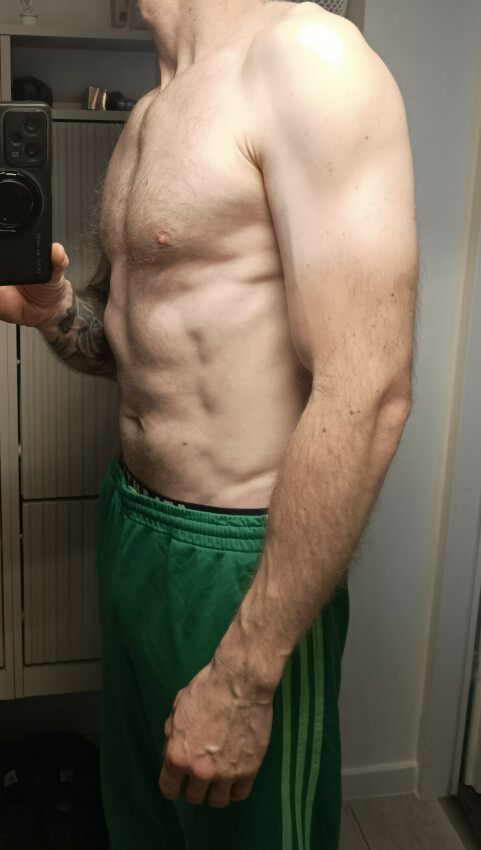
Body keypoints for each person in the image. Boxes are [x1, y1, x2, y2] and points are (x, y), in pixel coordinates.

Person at [0, 0, 419, 846]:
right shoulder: (154, 109)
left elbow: (368, 391)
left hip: (242, 562)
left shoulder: (308, 60)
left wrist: (243, 678)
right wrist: (56, 310)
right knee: (143, 822)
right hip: (131, 524)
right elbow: (136, 347)